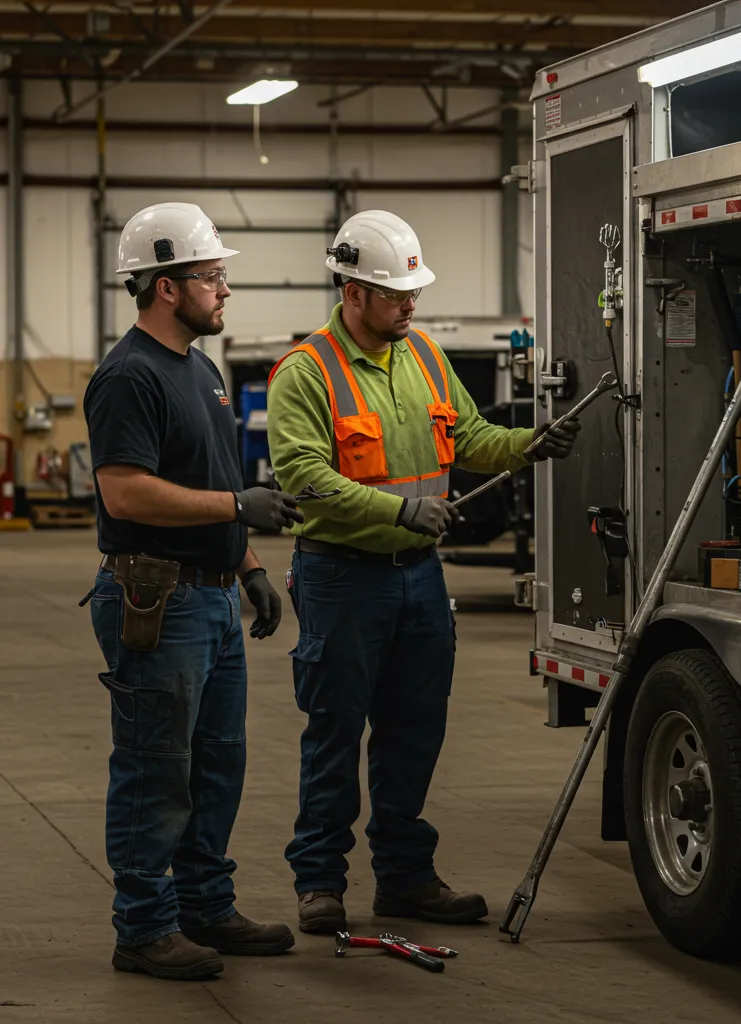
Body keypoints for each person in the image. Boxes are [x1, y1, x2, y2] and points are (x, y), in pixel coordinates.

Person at [266, 210, 580, 936]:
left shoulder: (426, 356)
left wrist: (530, 444)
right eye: (396, 293)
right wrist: (397, 514)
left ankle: (404, 877)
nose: (412, 303)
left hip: (418, 582)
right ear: (352, 293)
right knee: (335, 732)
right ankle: (320, 882)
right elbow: (304, 479)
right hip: (342, 578)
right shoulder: (305, 373)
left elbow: (468, 437)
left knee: (413, 731)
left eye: (413, 292)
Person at [83, 202, 305, 980]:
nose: (226, 291)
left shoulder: (201, 370)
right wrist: (237, 509)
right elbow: (126, 495)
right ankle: (143, 928)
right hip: (157, 600)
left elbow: (207, 481)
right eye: (214, 277)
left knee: (217, 762)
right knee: (155, 767)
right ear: (166, 287)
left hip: (208, 597)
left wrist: (245, 568)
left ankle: (206, 906)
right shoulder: (127, 376)